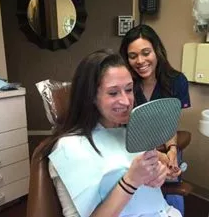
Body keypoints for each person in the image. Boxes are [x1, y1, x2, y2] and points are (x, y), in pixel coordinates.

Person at [48, 49, 182, 217]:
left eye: (129, 89)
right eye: (113, 93)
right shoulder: (69, 148)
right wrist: (131, 181)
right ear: (90, 96)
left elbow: (147, 182)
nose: (126, 101)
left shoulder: (132, 132)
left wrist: (158, 174)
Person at [119, 24, 191, 215]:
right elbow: (124, 130)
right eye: (133, 56)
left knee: (173, 182)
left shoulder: (177, 81)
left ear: (156, 51)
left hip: (163, 142)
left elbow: (170, 124)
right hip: (133, 145)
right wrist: (153, 154)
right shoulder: (126, 86)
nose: (140, 61)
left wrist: (172, 151)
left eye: (146, 52)